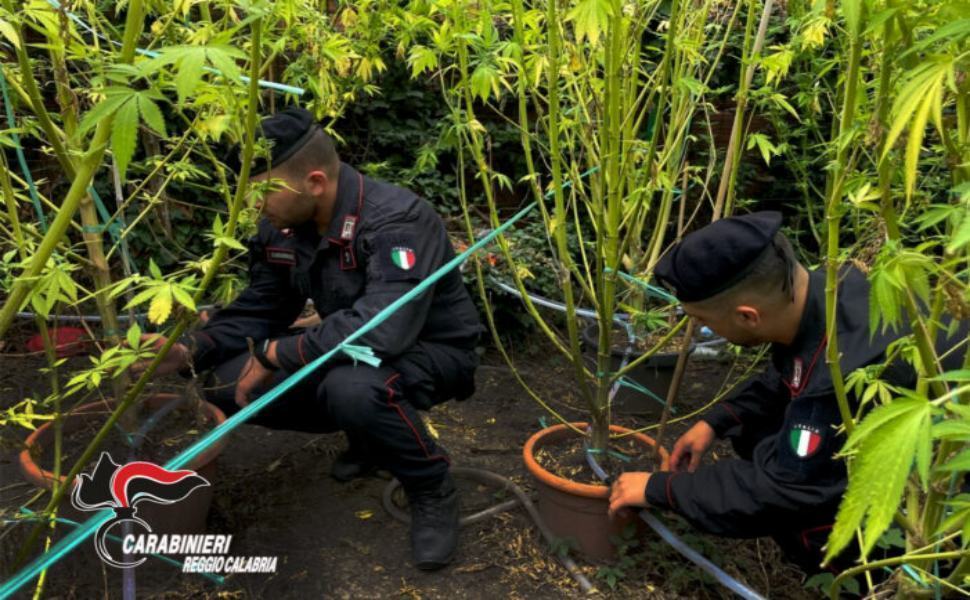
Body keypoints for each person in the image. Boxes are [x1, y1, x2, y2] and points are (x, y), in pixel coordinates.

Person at [146, 106, 483, 570]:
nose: (253, 206)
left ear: (316, 183)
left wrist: (277, 352)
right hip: (352, 353)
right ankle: (369, 444)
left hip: (432, 352)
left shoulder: (396, 222)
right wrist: (190, 350)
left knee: (354, 388)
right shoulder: (282, 227)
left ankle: (430, 484)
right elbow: (262, 307)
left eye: (262, 192)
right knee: (227, 385)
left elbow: (381, 331)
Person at [606, 211, 966, 571]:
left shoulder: (842, 374)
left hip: (936, 513)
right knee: (752, 427)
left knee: (803, 506)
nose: (699, 327)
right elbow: (787, 373)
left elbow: (784, 490)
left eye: (700, 320)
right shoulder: (836, 285)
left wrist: (661, 489)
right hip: (920, 449)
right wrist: (717, 420)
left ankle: (849, 575)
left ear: (748, 316)